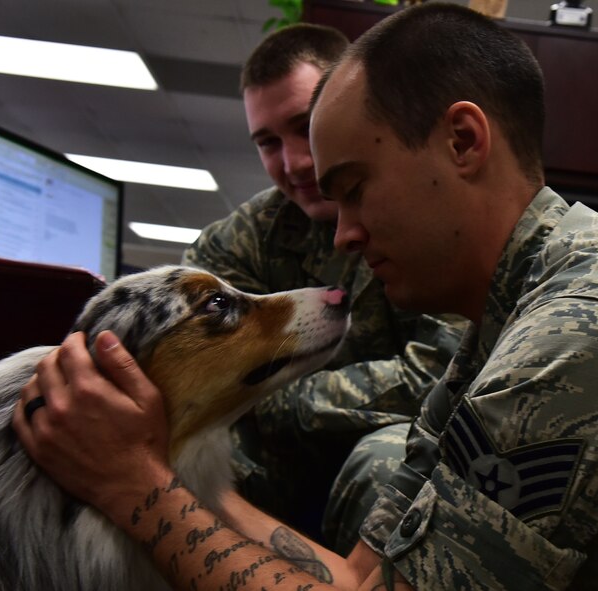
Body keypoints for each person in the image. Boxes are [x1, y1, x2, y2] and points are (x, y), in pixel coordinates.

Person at [14, 3, 598, 590]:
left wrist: (137, 485)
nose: (343, 236)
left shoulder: (580, 336)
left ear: (463, 142)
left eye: (354, 190)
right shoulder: (496, 325)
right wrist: (171, 477)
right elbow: (364, 573)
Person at [180, 23, 464, 550]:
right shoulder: (241, 241)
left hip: (400, 451)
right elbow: (201, 377)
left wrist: (271, 396)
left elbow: (440, 376)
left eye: (303, 126)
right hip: (280, 466)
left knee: (387, 462)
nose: (294, 162)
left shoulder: (427, 215)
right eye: (268, 142)